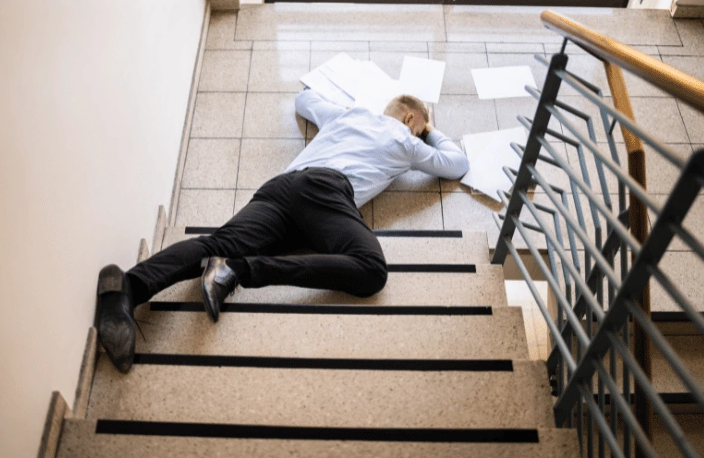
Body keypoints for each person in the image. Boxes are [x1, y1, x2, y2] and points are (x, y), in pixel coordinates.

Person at [95, 90, 469, 372]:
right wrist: (429, 129)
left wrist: (350, 109)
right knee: (370, 268)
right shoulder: (405, 140)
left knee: (216, 242)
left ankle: (127, 288)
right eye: (420, 128)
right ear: (409, 120)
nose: (421, 137)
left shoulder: (346, 115)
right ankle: (238, 270)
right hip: (325, 191)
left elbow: (304, 99)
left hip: (280, 188)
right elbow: (456, 164)